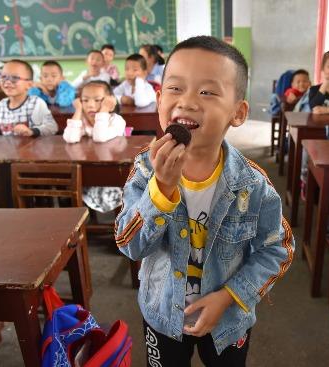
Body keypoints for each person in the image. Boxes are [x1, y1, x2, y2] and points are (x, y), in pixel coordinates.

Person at [115, 36, 294, 366]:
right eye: (175, 88)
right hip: (162, 313)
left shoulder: (253, 185)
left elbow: (278, 249)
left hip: (227, 319)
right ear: (159, 100)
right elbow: (130, 245)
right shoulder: (145, 169)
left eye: (207, 92)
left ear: (238, 113)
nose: (187, 102)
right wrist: (162, 190)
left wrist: (230, 297)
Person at [63, 80, 127, 213]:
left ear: (110, 101)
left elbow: (100, 136)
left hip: (114, 176)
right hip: (87, 175)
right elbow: (70, 138)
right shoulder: (81, 121)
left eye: (98, 100)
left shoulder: (116, 121)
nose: (90, 105)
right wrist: (78, 111)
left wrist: (104, 110)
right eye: (85, 101)